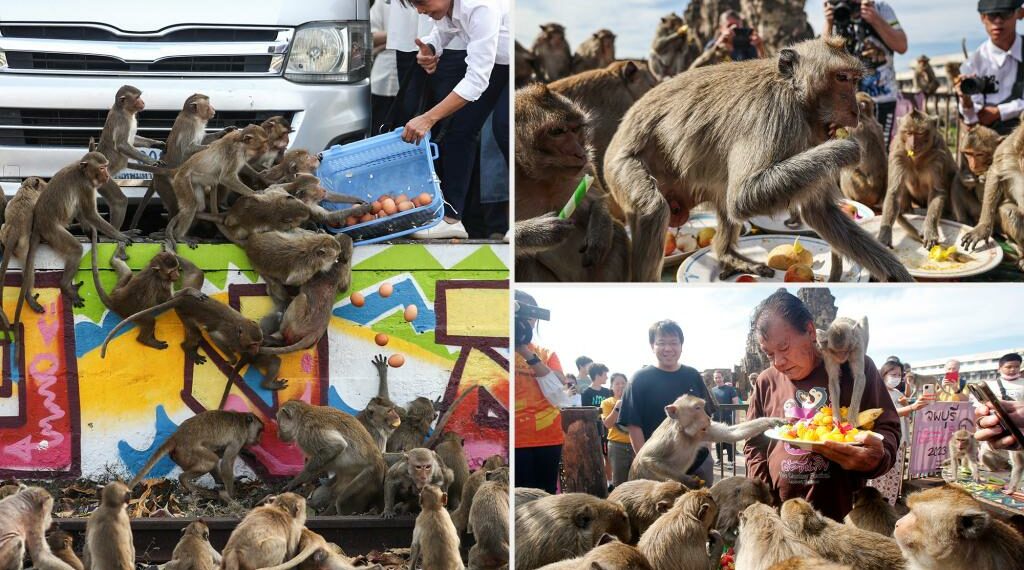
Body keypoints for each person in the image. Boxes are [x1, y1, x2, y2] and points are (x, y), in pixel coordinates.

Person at [744, 291, 901, 521]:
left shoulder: (854, 367)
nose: (778, 362)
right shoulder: (766, 381)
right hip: (783, 515)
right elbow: (754, 443)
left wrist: (877, 457)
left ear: (810, 331)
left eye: (784, 347)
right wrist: (764, 497)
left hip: (842, 515)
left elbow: (888, 429)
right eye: (769, 354)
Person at [400, 0, 510, 240]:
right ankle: (451, 219)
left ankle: (519, 217)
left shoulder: (480, 7)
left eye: (421, 1)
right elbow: (445, 30)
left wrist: (428, 118)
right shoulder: (449, 9)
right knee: (459, 131)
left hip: (513, 65)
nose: (420, 10)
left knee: (505, 128)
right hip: (496, 64)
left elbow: (477, 80)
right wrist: (431, 47)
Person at [619, 319, 716, 485]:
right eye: (661, 343)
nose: (668, 348)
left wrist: (707, 452)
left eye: (674, 343)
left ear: (681, 346)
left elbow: (707, 416)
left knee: (702, 508)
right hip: (661, 470)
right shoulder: (639, 379)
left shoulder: (693, 375)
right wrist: (647, 466)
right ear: (652, 346)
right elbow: (634, 426)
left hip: (698, 463)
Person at [824, 0, 907, 146]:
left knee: (880, 151)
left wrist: (875, 19)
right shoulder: (839, 11)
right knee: (845, 153)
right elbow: (822, 57)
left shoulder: (881, 9)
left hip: (882, 100)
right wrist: (829, 23)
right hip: (846, 102)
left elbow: (901, 45)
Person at [514, 290, 569, 494]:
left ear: (535, 319)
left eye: (528, 317)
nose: (523, 323)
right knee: (521, 498)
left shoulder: (547, 353)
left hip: (548, 438)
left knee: (544, 495)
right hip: (515, 440)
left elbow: (559, 395)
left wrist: (526, 352)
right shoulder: (499, 351)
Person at [958, 0, 1024, 135]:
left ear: (1020, 13)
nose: (998, 21)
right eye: (991, 15)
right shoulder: (973, 63)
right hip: (987, 139)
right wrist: (966, 102)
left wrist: (999, 112)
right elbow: (971, 120)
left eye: (1005, 14)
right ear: (982, 17)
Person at [690, 10, 766, 69]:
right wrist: (718, 46)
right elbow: (699, 68)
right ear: (721, 28)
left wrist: (760, 47)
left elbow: (759, 69)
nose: (734, 30)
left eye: (738, 27)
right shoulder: (714, 45)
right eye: (730, 26)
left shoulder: (749, 45)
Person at [370, 0, 399, 134]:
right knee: (378, 129)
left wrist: (386, 41)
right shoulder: (382, 2)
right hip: (382, 77)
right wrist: (402, 33)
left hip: (412, 78)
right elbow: (369, 37)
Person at [601, 373, 634, 487]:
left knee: (636, 480)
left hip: (635, 445)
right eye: (617, 383)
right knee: (619, 482)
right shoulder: (607, 402)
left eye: (623, 383)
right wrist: (618, 406)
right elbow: (607, 424)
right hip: (616, 446)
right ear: (611, 387)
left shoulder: (635, 401)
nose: (620, 386)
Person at [711, 371, 739, 466]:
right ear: (714, 379)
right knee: (717, 439)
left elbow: (736, 404)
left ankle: (731, 460)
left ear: (723, 378)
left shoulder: (730, 389)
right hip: (716, 418)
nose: (717, 379)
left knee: (728, 439)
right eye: (715, 377)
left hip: (728, 418)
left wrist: (736, 418)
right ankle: (719, 458)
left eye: (719, 377)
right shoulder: (712, 390)